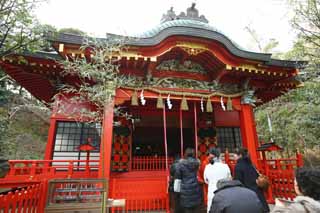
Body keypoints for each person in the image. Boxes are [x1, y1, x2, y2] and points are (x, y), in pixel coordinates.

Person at [234, 148, 270, 212]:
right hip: (257, 192)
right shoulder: (251, 164)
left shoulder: (238, 166)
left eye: (236, 154)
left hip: (247, 194)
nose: (234, 156)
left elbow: (238, 182)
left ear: (240, 155)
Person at [174, 148, 202, 213]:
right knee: (195, 209)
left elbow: (178, 177)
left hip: (185, 189)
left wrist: (176, 190)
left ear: (185, 154)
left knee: (187, 210)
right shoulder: (197, 164)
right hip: (195, 188)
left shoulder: (180, 165)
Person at [204, 148, 231, 212]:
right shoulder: (225, 166)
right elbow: (229, 178)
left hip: (212, 192)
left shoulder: (207, 167)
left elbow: (206, 180)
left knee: (212, 209)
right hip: (224, 191)